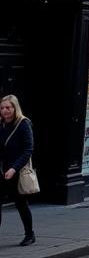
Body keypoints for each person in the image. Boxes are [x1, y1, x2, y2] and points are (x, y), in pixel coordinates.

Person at [0, 95, 34, 247]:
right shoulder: (0, 124)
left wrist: (14, 168)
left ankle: (30, 234)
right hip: (1, 171)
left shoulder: (23, 124)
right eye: (2, 108)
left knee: (21, 204)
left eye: (8, 107)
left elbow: (28, 150)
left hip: (16, 171)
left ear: (15, 108)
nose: (5, 111)